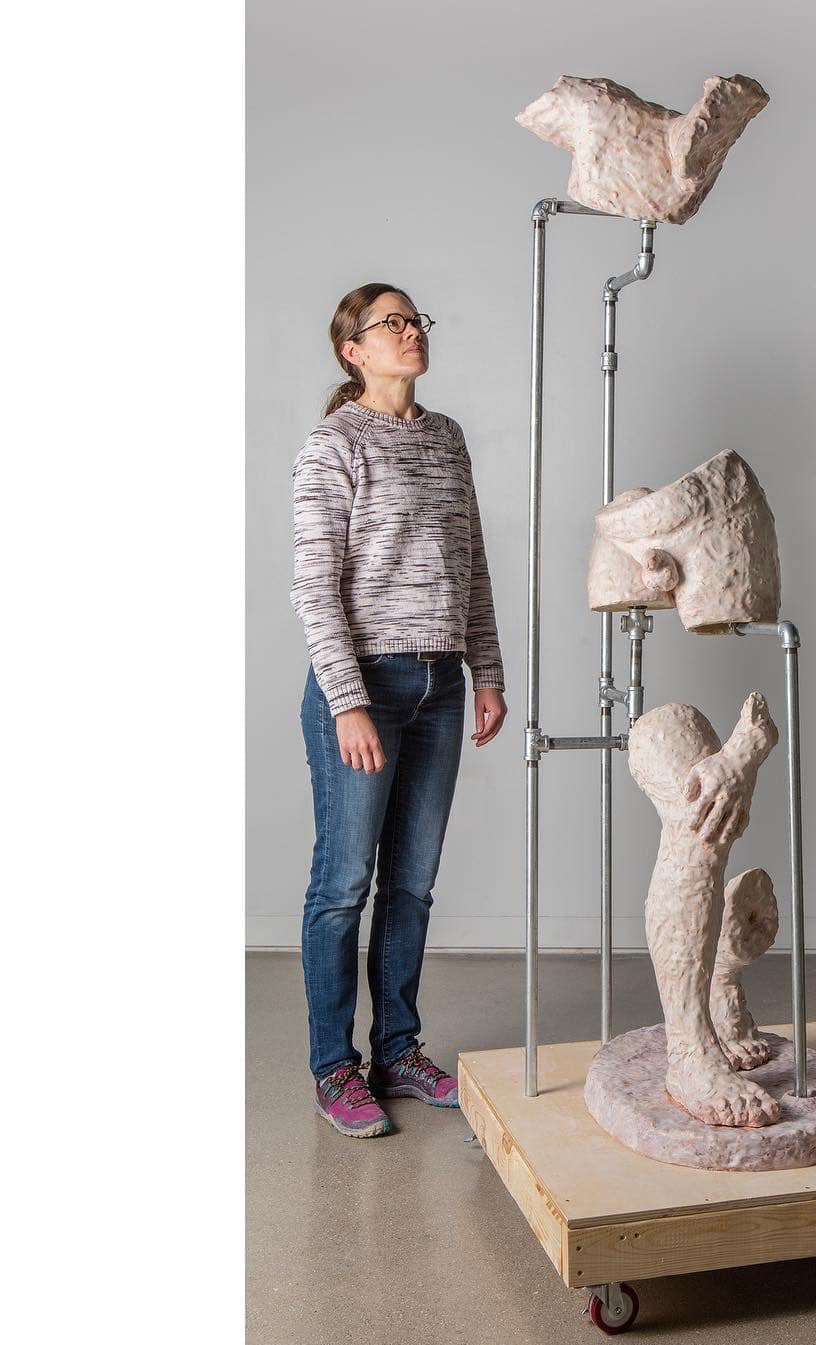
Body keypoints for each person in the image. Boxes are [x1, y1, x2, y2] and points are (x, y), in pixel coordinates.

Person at [290, 282, 507, 1138]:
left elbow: (471, 562)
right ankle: (333, 1068)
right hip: (364, 687)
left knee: (412, 885)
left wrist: (485, 672)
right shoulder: (334, 445)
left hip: (440, 687)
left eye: (416, 320)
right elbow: (315, 586)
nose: (411, 331)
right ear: (353, 349)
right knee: (343, 886)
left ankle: (398, 1052)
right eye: (393, 322)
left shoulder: (446, 438)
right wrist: (347, 701)